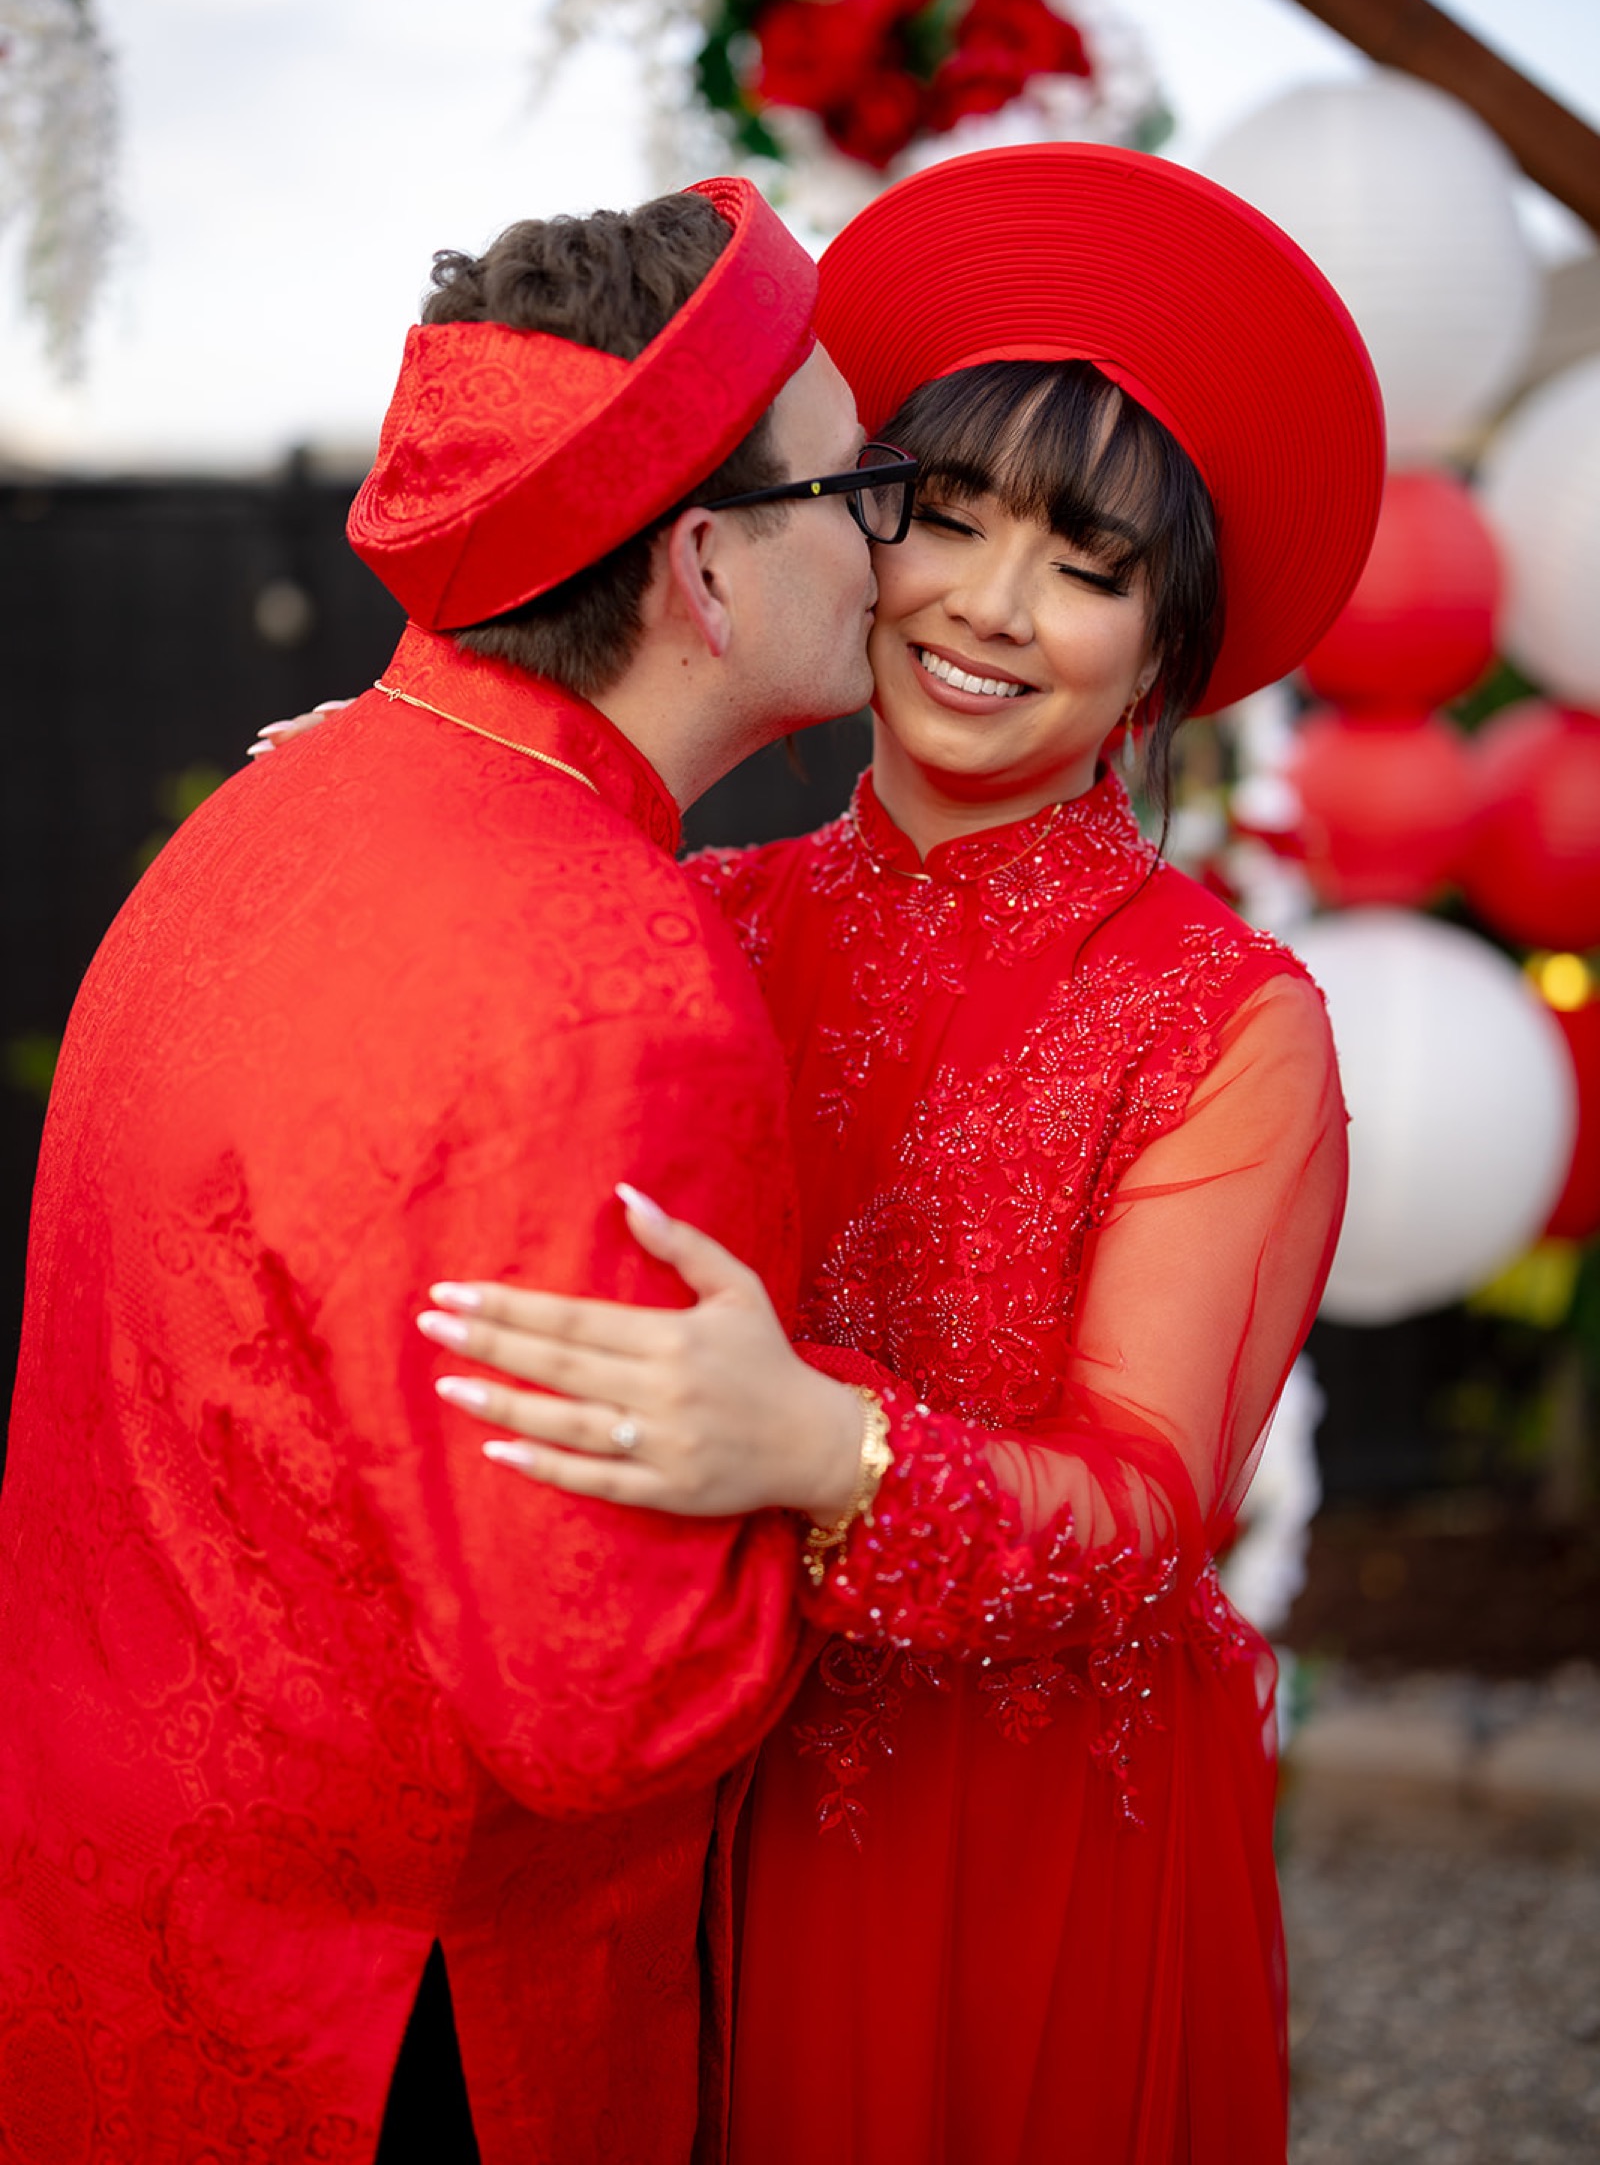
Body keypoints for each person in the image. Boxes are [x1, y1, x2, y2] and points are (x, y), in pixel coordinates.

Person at [409, 146, 1386, 2164]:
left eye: (1086, 568)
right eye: (943, 516)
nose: (987, 609)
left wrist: (823, 1453)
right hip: (686, 1779)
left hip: (1021, 1835)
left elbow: (1141, 1518)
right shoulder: (695, 912)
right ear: (857, 528)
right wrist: (400, 807)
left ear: (1163, 647)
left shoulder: (1222, 1019)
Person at [0, 181, 920, 2164]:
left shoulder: (284, 799)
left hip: (134, 1936)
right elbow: (603, 1701)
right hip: (398, 2025)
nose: (895, 542)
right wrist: (852, 1474)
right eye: (858, 489)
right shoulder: (610, 978)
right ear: (700, 564)